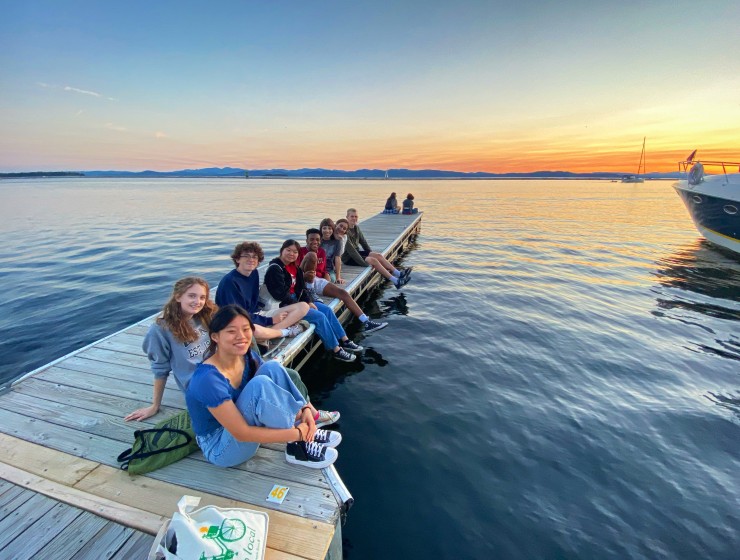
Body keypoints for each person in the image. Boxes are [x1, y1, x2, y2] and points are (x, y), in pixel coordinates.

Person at [125, 277, 339, 427]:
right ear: (178, 296)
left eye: (202, 297)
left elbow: (246, 330)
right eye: (192, 296)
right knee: (266, 387)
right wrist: (155, 405)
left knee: (287, 374)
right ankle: (300, 422)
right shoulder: (160, 330)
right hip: (205, 385)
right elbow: (160, 369)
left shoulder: (206, 316)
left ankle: (310, 413)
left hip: (228, 370)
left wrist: (281, 332)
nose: (197, 302)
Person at [186, 305, 341, 469]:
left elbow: (275, 383)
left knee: (272, 368)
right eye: (231, 331)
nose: (241, 336)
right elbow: (241, 433)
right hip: (220, 447)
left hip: (240, 429)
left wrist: (306, 410)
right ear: (215, 337)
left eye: (246, 329)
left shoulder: (246, 356)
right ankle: (297, 445)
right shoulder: (207, 379)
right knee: (259, 385)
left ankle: (305, 425)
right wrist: (298, 433)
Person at [264, 239, 363, 362]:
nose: (291, 254)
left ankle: (345, 340)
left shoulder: (295, 268)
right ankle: (336, 349)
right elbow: (280, 295)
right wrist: (301, 305)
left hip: (298, 301)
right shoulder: (275, 268)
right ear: (281, 251)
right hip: (285, 306)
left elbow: (303, 289)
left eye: (295, 252)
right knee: (318, 317)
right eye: (288, 250)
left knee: (326, 310)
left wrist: (309, 302)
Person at [298, 229, 388, 334]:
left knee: (343, 293)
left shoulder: (321, 251)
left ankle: (367, 322)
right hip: (303, 281)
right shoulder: (300, 251)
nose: (315, 242)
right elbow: (296, 271)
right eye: (312, 239)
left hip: (317, 280)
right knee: (311, 256)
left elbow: (323, 271)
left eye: (317, 239)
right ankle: (309, 289)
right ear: (306, 240)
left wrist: (328, 282)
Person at [216, 241, 309, 340]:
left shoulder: (253, 273)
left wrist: (269, 317)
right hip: (237, 322)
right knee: (255, 330)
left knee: (303, 306)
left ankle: (269, 334)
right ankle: (282, 332)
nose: (251, 260)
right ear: (237, 259)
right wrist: (270, 320)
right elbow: (237, 316)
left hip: (255, 314)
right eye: (246, 256)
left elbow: (253, 306)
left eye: (254, 257)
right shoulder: (230, 282)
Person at [341, 208, 412, 289]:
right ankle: (396, 281)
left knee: (377, 255)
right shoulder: (345, 232)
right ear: (347, 217)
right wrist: (365, 264)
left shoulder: (356, 228)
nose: (354, 218)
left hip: (356, 253)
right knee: (373, 261)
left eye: (356, 216)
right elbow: (352, 252)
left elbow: (363, 242)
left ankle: (399, 274)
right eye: (352, 216)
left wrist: (370, 253)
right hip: (349, 258)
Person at [319, 218, 343, 284]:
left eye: (329, 228)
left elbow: (337, 258)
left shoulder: (337, 241)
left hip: (329, 269)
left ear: (333, 229)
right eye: (324, 228)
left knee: (331, 280)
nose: (327, 231)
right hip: (317, 267)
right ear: (321, 229)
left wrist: (338, 277)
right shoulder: (318, 240)